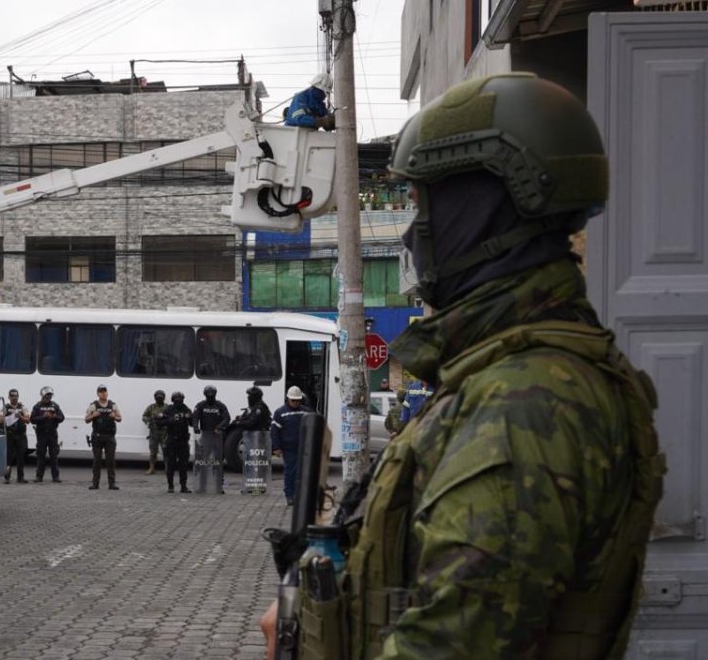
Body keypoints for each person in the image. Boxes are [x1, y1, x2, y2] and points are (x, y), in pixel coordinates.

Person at [262, 73, 665, 659]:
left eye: (424, 204)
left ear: (487, 209)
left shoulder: (528, 402)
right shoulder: (503, 372)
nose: (411, 233)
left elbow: (449, 645)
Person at [269, 386, 312, 506]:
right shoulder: (280, 413)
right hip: (289, 449)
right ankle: (289, 495)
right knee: (290, 472)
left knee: (302, 472)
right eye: (293, 400)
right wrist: (275, 448)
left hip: (304, 447)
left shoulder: (306, 411)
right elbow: (274, 431)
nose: (295, 402)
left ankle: (300, 495)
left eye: (298, 400)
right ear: (287, 399)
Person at [191, 386, 230, 494]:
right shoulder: (200, 405)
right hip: (205, 437)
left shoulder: (220, 406)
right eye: (208, 394)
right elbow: (195, 417)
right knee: (204, 462)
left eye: (212, 394)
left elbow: (227, 418)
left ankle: (218, 487)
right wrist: (195, 427)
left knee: (217, 463)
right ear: (205, 394)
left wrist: (219, 427)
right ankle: (202, 486)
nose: (210, 396)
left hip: (217, 437)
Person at [85, 385, 122, 491]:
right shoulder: (93, 405)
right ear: (97, 393)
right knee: (97, 462)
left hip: (110, 437)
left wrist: (114, 417)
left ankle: (112, 484)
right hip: (97, 437)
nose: (103, 393)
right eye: (101, 392)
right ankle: (95, 484)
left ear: (107, 392)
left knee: (111, 462)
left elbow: (120, 418)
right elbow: (86, 419)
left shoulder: (112, 405)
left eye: (104, 391)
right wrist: (94, 415)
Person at [157, 392, 193, 493]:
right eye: (176, 399)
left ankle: (183, 486)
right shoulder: (168, 410)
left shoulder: (186, 409)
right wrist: (171, 420)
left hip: (183, 441)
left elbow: (192, 422)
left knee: (183, 465)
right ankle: (171, 486)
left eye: (180, 399)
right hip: (172, 441)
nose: (178, 401)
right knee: (171, 465)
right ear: (173, 400)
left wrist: (188, 417)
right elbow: (159, 423)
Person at [30, 387, 65, 483]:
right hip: (41, 434)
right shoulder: (37, 406)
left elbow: (62, 417)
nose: (48, 397)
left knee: (54, 456)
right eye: (46, 395)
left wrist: (54, 416)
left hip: (52, 434)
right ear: (42, 395)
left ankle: (55, 477)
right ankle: (39, 477)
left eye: (50, 395)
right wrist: (42, 417)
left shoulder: (55, 405)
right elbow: (32, 419)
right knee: (41, 456)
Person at [0, 389, 30, 484]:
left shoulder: (22, 407)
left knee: (21, 457)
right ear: (9, 398)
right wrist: (9, 417)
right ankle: (7, 477)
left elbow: (28, 420)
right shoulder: (5, 407)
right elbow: (0, 420)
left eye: (16, 398)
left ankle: (20, 477)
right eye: (12, 398)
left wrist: (20, 416)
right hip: (10, 435)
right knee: (8, 457)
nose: (14, 400)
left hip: (21, 435)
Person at [141, 390, 168, 475]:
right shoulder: (151, 407)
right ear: (155, 397)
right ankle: (152, 468)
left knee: (166, 451)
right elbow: (144, 416)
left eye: (161, 396)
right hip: (154, 432)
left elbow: (171, 417)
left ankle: (168, 468)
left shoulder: (167, 407)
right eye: (158, 396)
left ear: (164, 397)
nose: (159, 397)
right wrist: (149, 419)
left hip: (165, 433)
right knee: (153, 452)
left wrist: (164, 418)